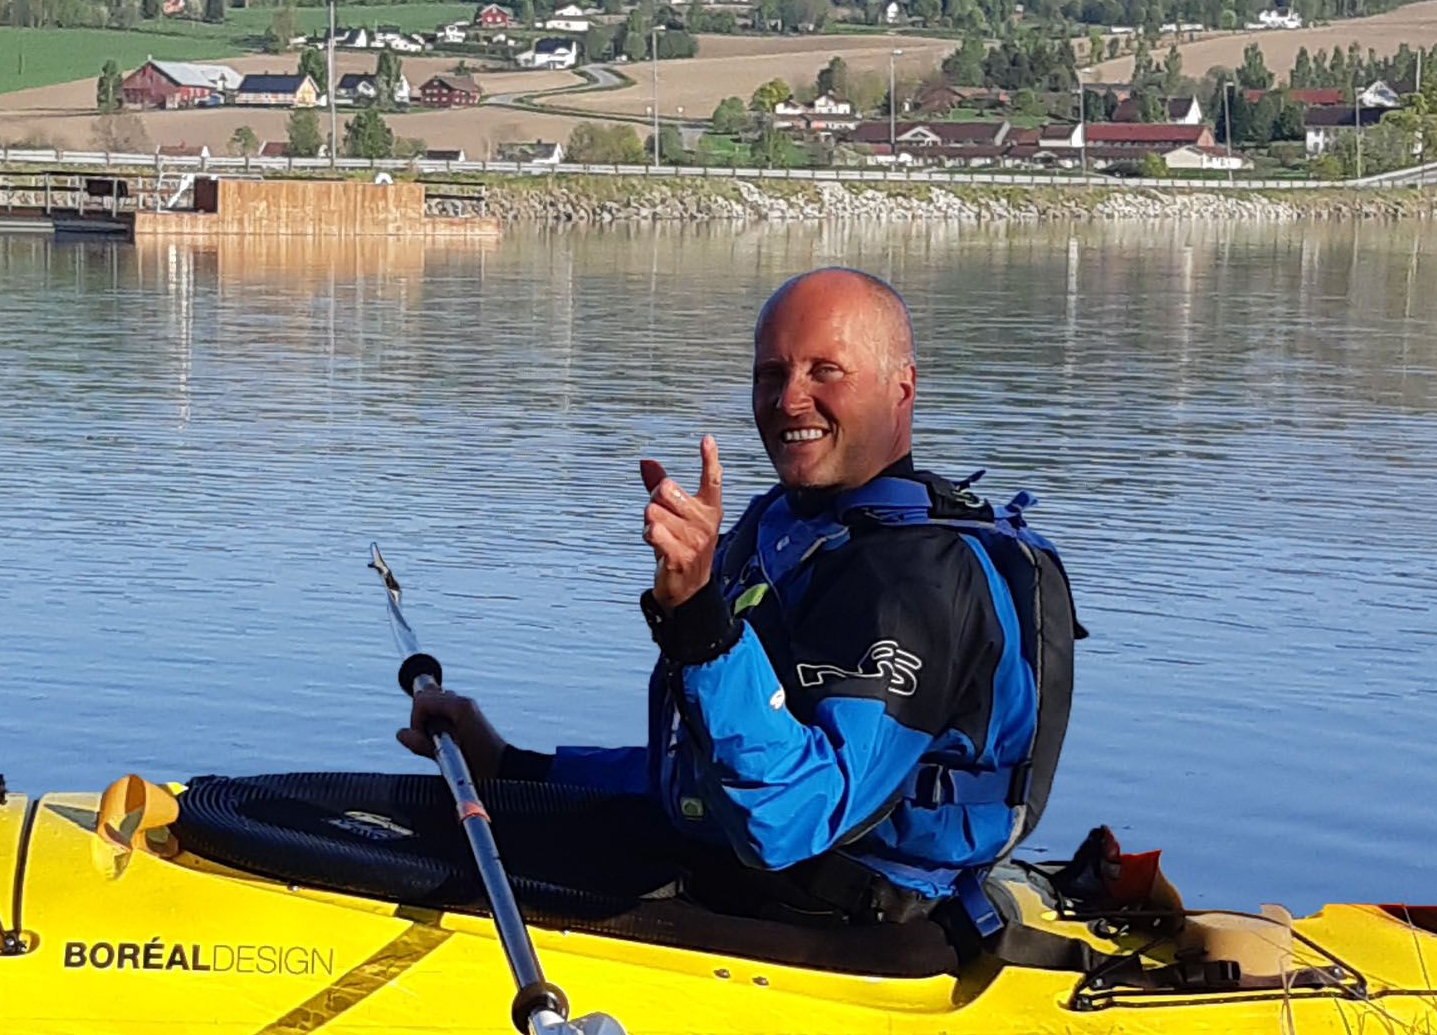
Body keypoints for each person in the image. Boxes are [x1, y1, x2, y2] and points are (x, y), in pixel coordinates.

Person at [402, 267, 1074, 962]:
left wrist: (698, 622)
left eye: (825, 371)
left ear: (901, 385)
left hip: (852, 924)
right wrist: (514, 767)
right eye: (771, 373)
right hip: (738, 877)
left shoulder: (919, 580)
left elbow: (787, 819)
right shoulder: (778, 529)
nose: (789, 400)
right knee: (360, 820)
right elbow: (702, 776)